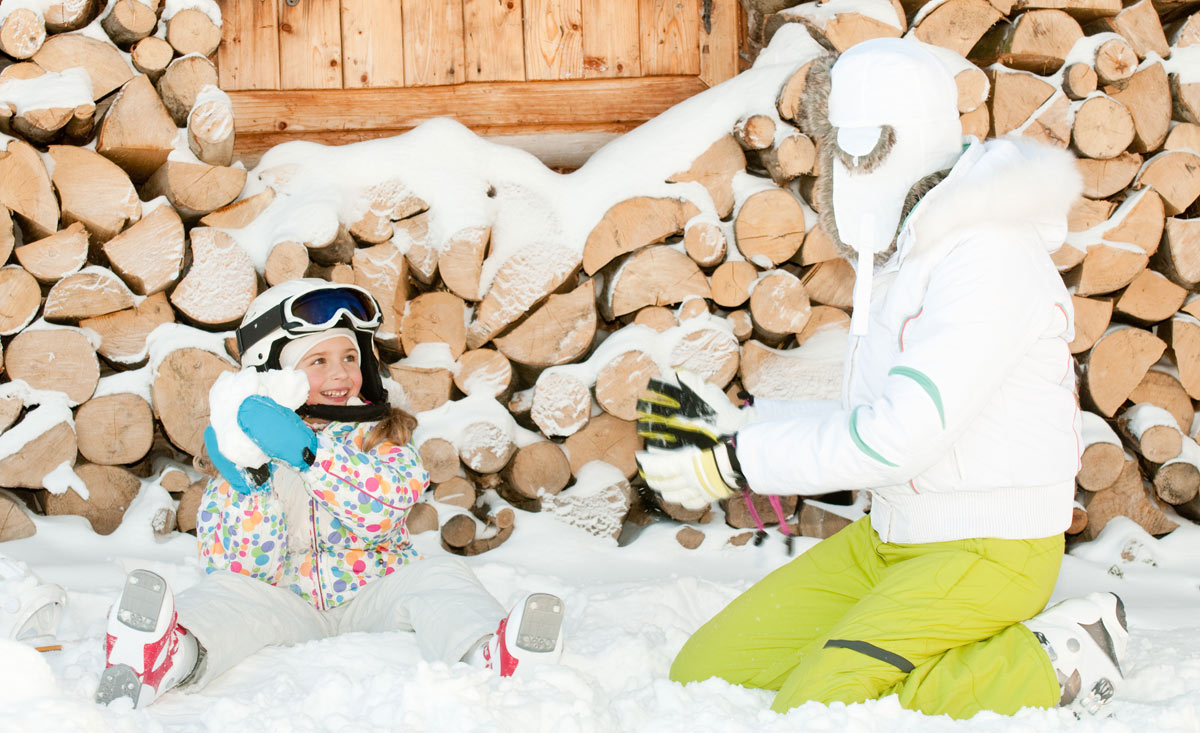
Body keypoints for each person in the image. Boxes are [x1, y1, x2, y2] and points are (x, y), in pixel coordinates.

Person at [635, 38, 1128, 719]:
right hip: (890, 539)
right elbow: (868, 410)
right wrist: (741, 427)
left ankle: (1054, 658)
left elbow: (903, 435)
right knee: (710, 671)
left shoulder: (986, 256)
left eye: (846, 149)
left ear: (881, 145)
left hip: (991, 550)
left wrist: (737, 460)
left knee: (822, 702)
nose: (832, 175)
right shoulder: (906, 245)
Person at [95, 279, 565, 708]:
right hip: (289, 604)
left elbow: (383, 512)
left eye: (349, 358)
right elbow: (243, 570)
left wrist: (311, 456)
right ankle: (167, 653)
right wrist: (250, 487)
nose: (341, 374)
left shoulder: (383, 438)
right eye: (318, 361)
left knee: (442, 576)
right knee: (225, 592)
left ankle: (489, 652)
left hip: (375, 594)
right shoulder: (247, 457)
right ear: (274, 373)